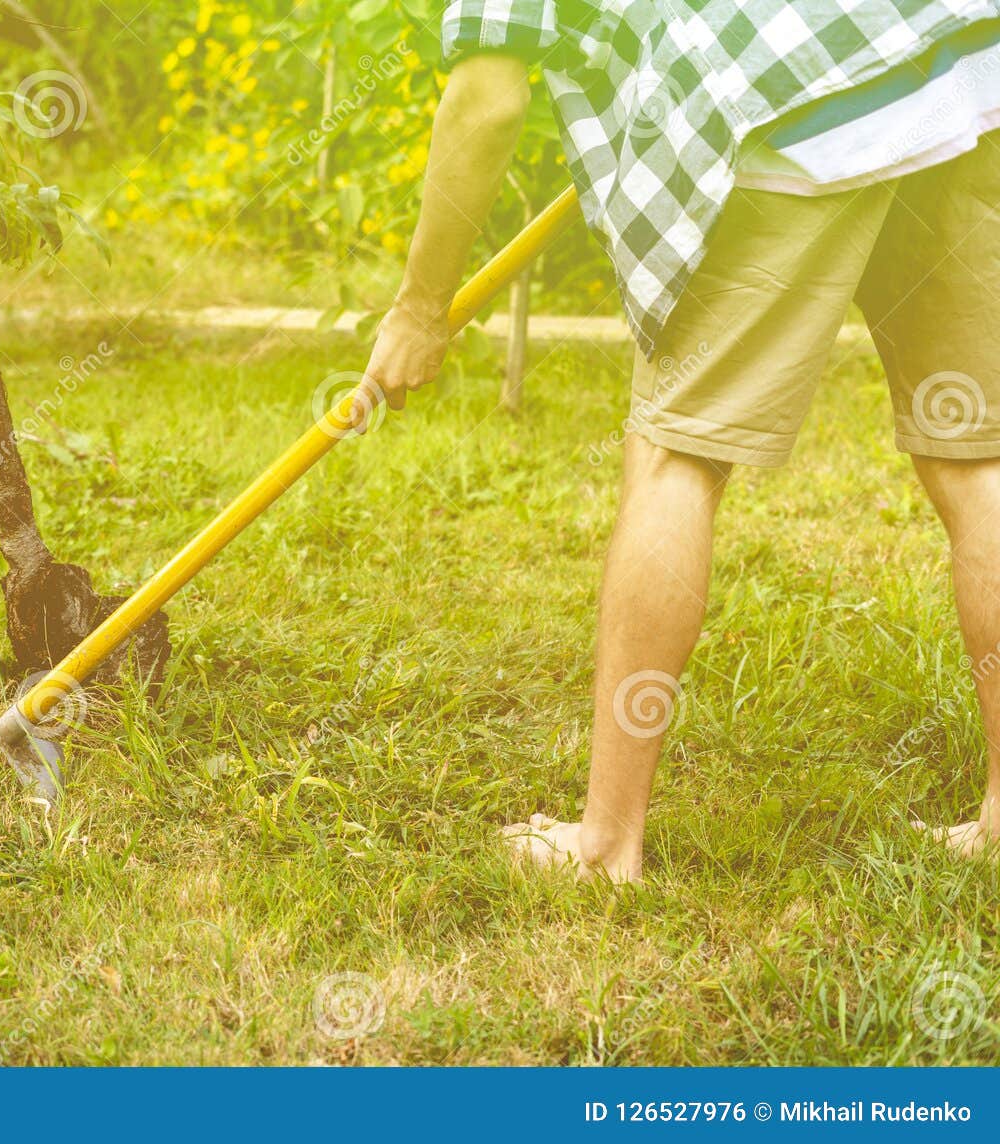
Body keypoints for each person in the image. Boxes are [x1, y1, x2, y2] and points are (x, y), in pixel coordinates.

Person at [363, 1, 1000, 880]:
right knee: (978, 453)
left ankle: (603, 846)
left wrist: (420, 305)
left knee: (676, 456)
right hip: (954, 73)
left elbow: (488, 99)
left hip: (782, 106)